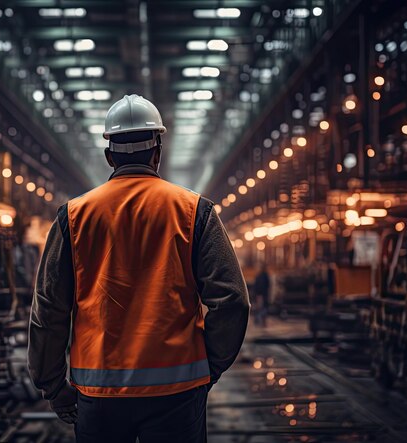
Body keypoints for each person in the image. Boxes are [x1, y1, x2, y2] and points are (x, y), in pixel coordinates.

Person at [28, 94, 250, 443]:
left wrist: (53, 386)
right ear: (157, 153)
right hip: (178, 396)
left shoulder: (73, 217)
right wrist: (210, 366)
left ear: (109, 156)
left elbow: (48, 311)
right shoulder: (195, 212)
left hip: (98, 395)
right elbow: (232, 300)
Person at [253, 263, 270, 327]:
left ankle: (259, 320)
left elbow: (256, 286)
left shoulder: (260, 276)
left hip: (260, 294)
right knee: (263, 308)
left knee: (260, 308)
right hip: (262, 294)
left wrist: (256, 294)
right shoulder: (264, 276)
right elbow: (268, 285)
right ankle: (261, 321)